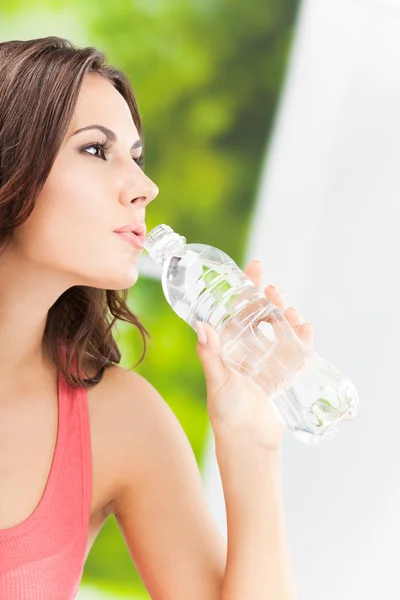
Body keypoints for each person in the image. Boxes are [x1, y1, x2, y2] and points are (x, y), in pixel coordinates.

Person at [0, 36, 313, 599]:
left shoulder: (120, 422)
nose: (145, 188)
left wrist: (251, 443)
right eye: (97, 150)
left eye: (138, 158)